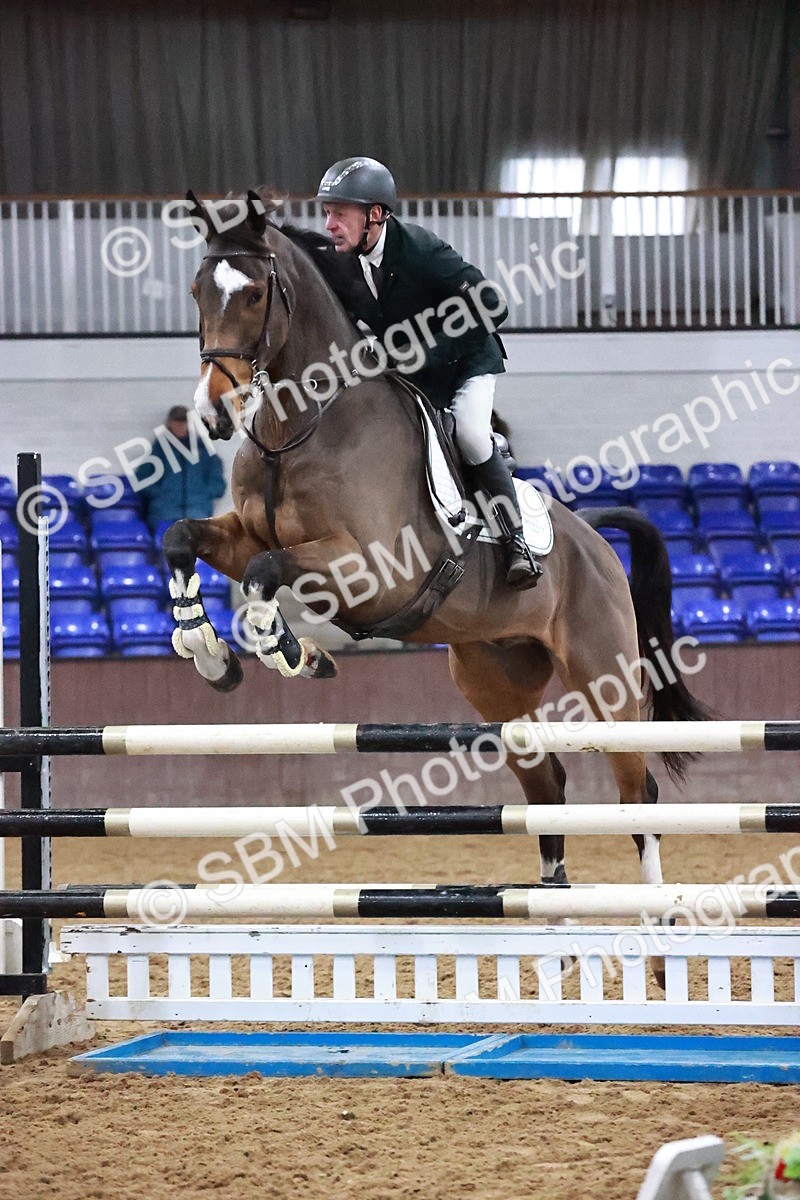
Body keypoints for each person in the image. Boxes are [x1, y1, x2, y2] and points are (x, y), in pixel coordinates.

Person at [317, 156, 542, 590]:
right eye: (327, 212)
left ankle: (517, 543)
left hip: (467, 363)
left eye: (339, 213)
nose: (329, 224)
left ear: (376, 214)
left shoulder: (422, 251)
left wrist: (419, 350)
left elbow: (493, 305)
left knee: (471, 436)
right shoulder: (343, 265)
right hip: (414, 373)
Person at [141, 405, 226, 532]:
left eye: (183, 422)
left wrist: (203, 494)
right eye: (176, 423)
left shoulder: (204, 450)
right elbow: (142, 478)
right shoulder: (159, 449)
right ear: (169, 424)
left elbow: (218, 483)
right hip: (165, 513)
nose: (179, 427)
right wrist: (160, 494)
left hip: (198, 513)